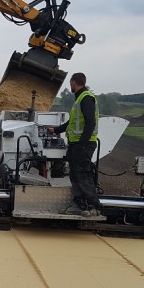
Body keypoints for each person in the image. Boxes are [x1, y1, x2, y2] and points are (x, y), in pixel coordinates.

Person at [48, 72, 101, 216]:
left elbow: (90, 123)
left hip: (82, 144)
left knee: (83, 174)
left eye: (70, 83)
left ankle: (93, 206)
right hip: (76, 144)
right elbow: (72, 123)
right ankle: (79, 204)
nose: (70, 85)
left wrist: (83, 143)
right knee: (75, 174)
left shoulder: (86, 98)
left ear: (73, 82)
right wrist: (56, 130)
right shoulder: (79, 99)